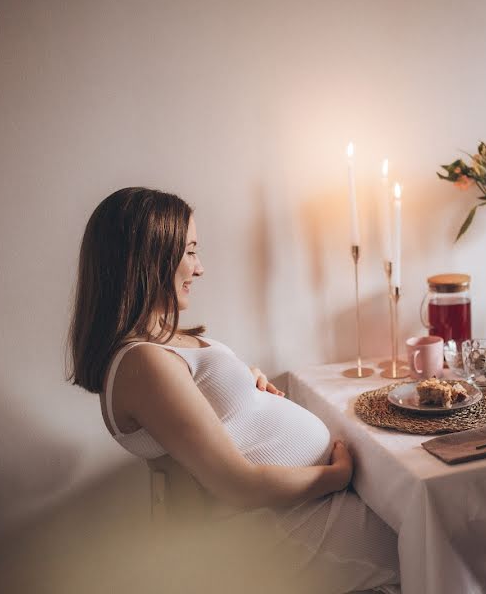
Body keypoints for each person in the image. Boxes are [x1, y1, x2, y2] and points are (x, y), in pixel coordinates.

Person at [67, 187, 399, 594]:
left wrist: (245, 384)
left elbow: (205, 407)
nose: (200, 267)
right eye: (190, 251)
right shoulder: (141, 363)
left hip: (311, 512)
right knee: (437, 544)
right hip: (297, 528)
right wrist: (336, 475)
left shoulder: (160, 346)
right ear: (149, 258)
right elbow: (236, 484)